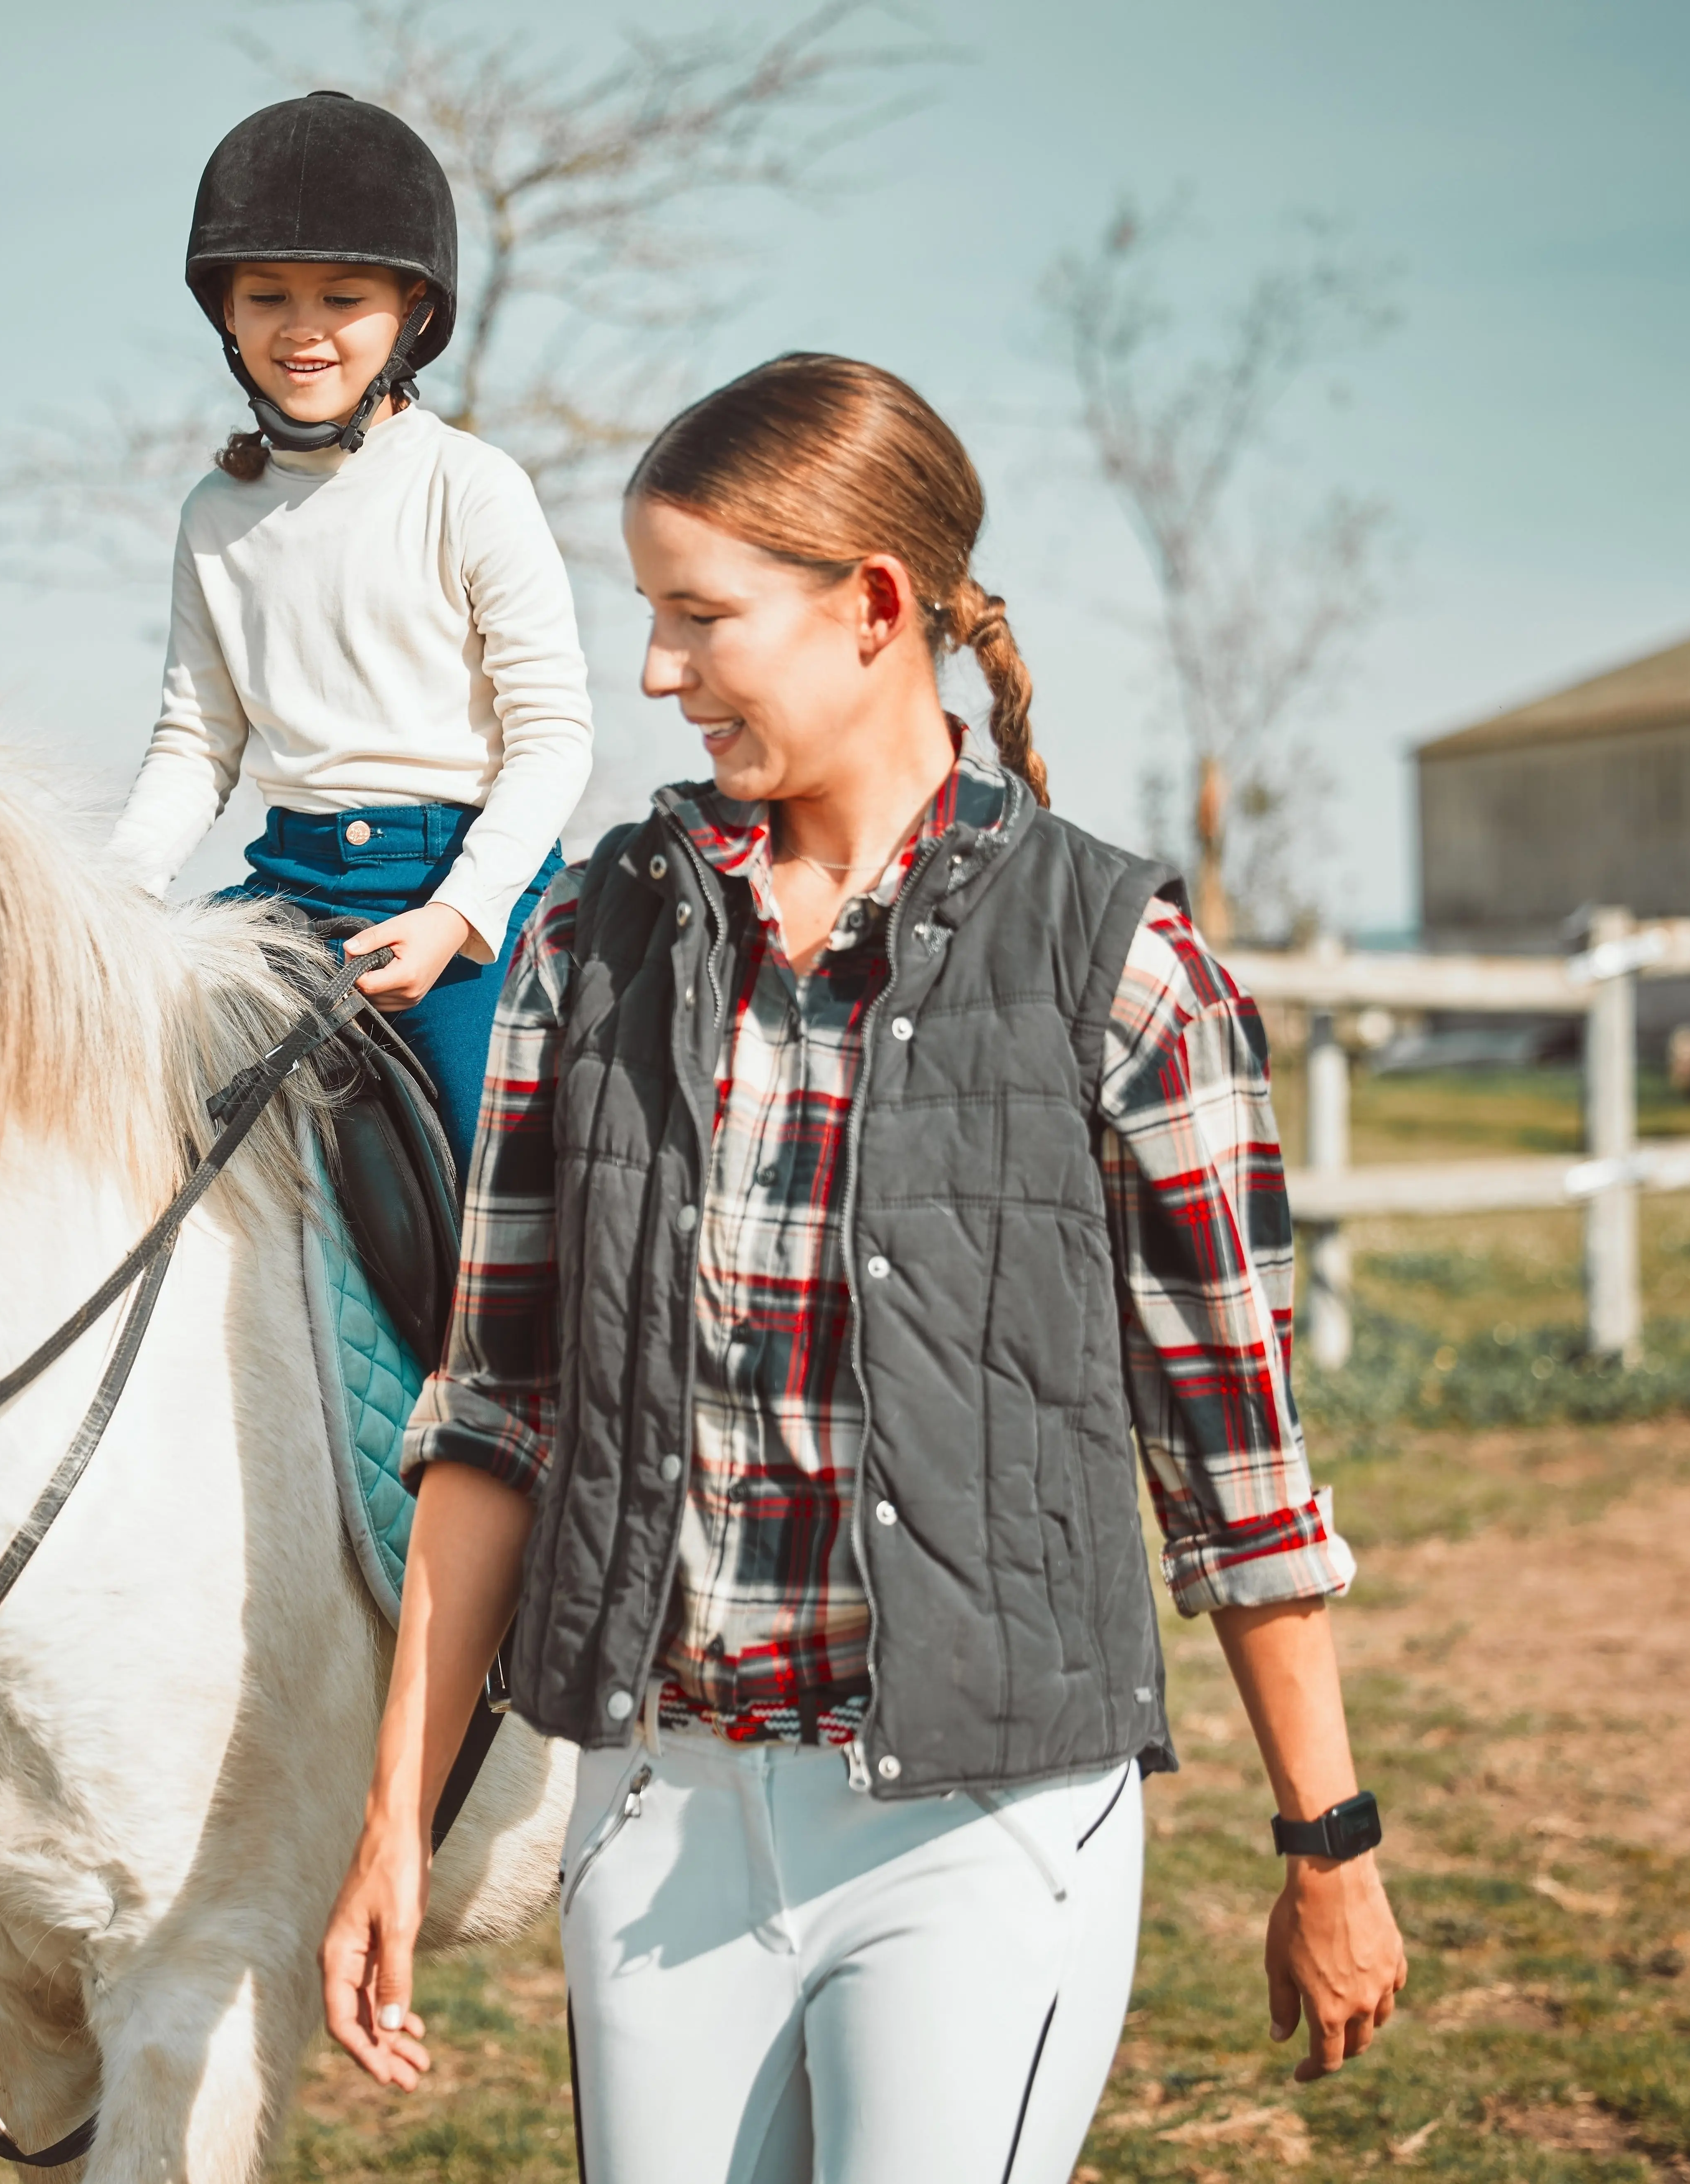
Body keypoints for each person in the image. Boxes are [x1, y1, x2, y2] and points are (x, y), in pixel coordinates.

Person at [317, 354, 1408, 2182]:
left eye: (699, 618)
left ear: (874, 609)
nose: (657, 674)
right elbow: (494, 1413)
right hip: (661, 1815)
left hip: (984, 1839)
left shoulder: (1121, 966)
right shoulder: (592, 943)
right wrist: (392, 1835)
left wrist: (1332, 1840)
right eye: (648, 619)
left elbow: (1237, 1461)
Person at [107, 90, 593, 1168]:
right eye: (266, 294)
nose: (302, 325)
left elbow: (553, 735)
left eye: (342, 294)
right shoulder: (213, 515)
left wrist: (460, 914)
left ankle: (512, 1345)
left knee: (497, 1175)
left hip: (461, 894)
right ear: (225, 314)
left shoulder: (471, 485)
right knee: (126, 1107)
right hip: (285, 895)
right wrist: (114, 896)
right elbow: (195, 743)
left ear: (412, 309)